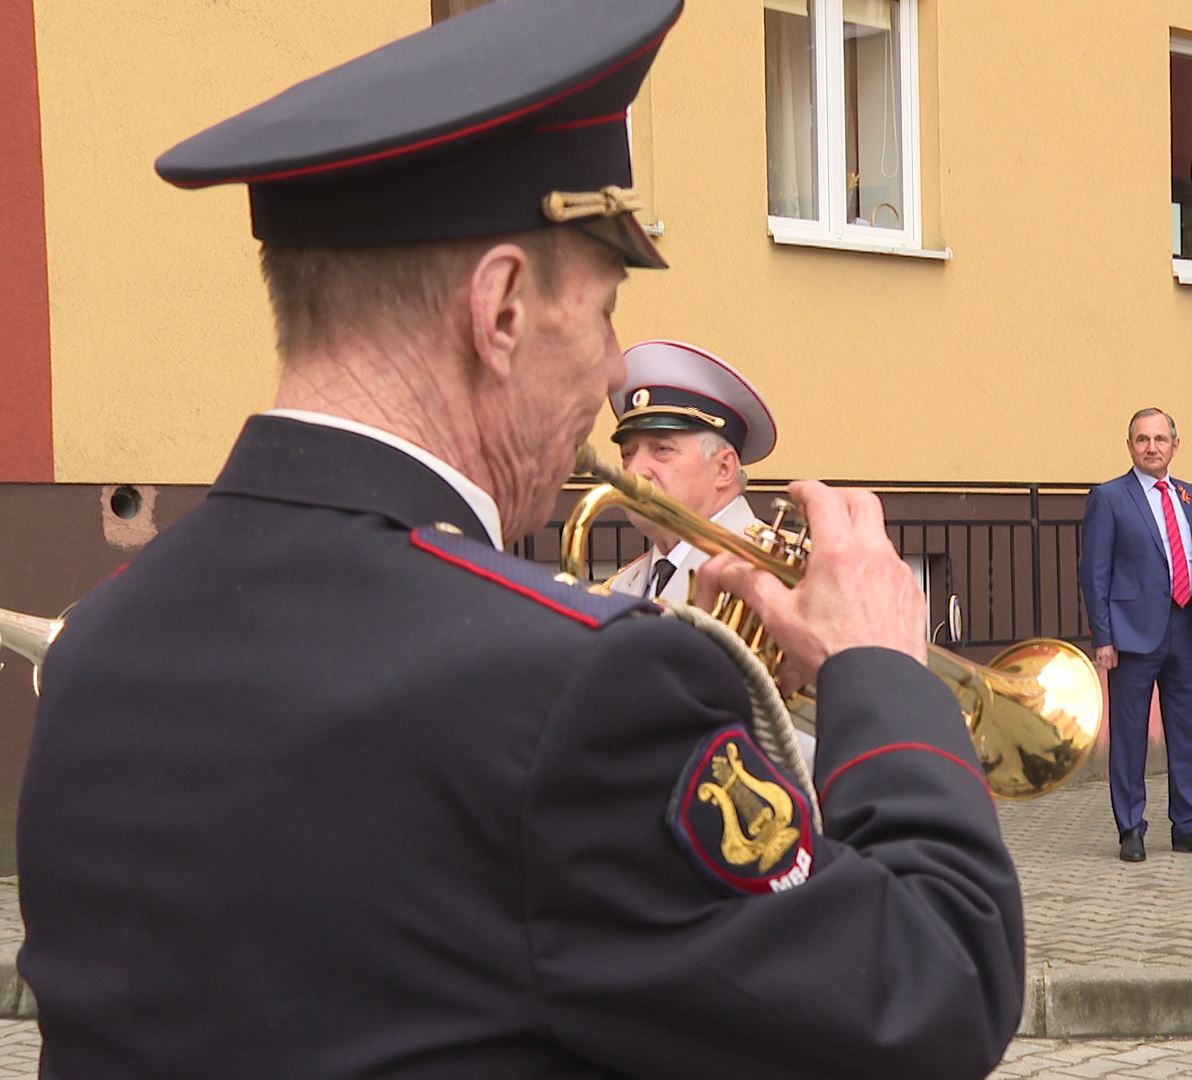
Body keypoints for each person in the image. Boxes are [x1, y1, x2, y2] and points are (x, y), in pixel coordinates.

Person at [16, 3, 1026, 1077]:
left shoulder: (99, 645)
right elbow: (935, 989)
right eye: (598, 318)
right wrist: (882, 669)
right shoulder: (585, 688)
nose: (605, 378)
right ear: (499, 310)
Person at [1079, 408, 1192, 862]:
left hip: (1184, 630)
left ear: (1175, 445)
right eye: (1142, 439)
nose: (1152, 447)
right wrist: (1103, 638)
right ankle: (1131, 828)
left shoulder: (1191, 497)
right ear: (1130, 447)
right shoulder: (1108, 497)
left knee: (1185, 732)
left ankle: (1189, 825)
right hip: (1131, 635)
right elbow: (1095, 573)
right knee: (1129, 736)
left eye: (1160, 439)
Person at [603, 339, 774, 604]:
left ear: (723, 469)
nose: (634, 470)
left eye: (662, 449)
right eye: (627, 454)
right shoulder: (623, 583)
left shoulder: (770, 573)